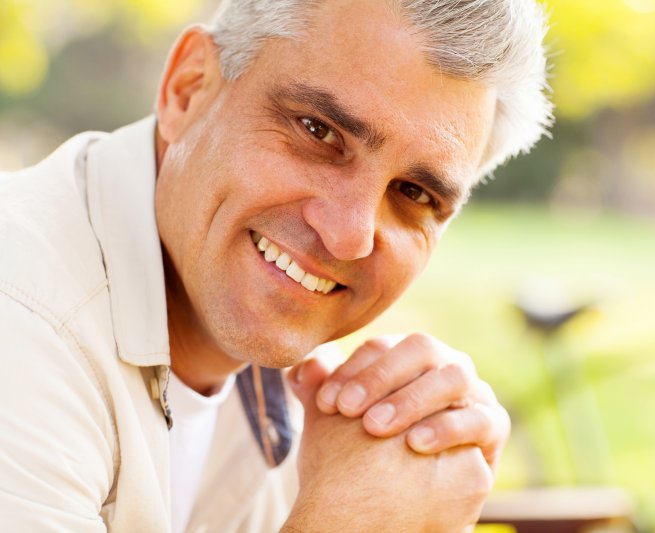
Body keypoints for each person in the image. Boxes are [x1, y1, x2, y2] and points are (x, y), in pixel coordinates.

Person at [0, 0, 551, 531]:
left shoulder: (322, 407)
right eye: (318, 131)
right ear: (188, 88)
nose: (348, 235)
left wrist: (421, 488)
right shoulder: (20, 312)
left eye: (414, 191)